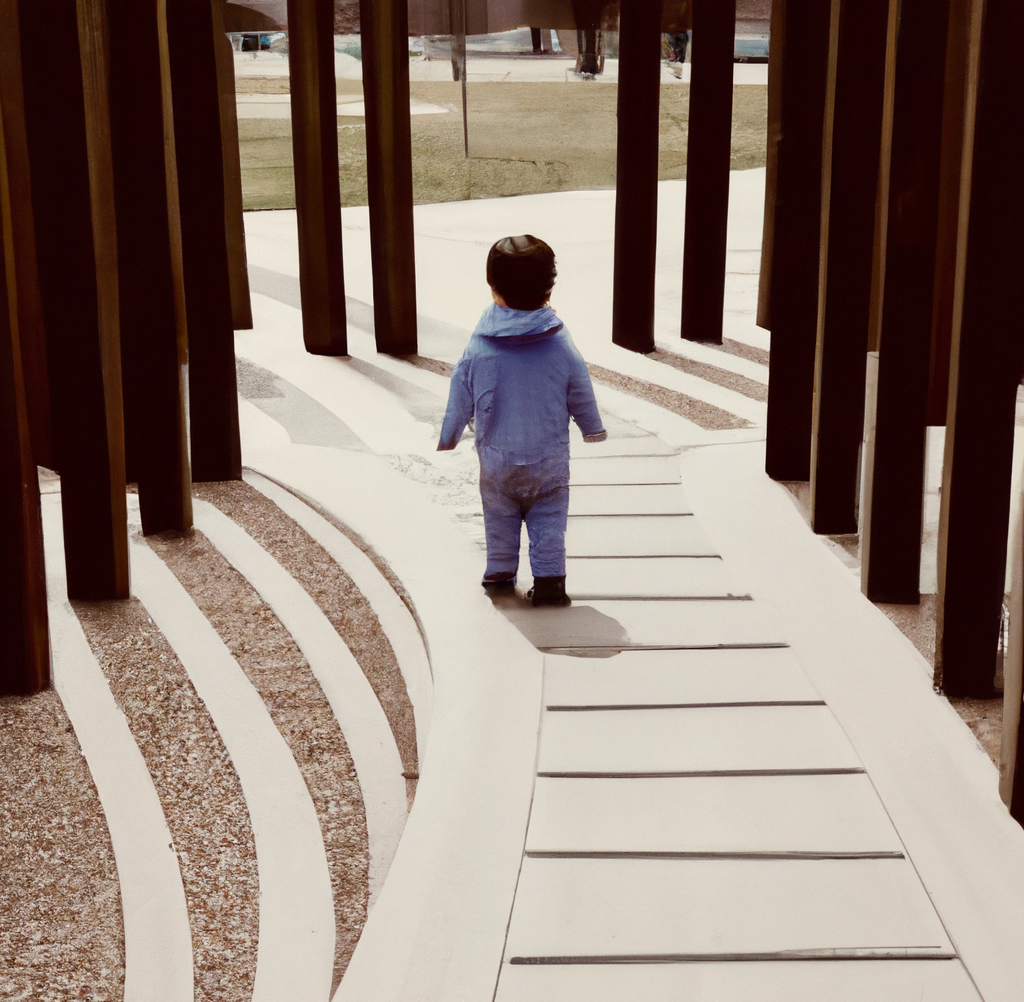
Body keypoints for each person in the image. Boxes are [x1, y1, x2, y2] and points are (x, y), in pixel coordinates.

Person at [437, 235, 607, 607]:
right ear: (549, 289)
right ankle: (549, 583)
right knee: (549, 516)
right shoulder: (560, 343)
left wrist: (449, 434)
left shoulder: (480, 346)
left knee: (499, 514)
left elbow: (460, 387)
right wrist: (591, 427)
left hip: (497, 458)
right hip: (548, 458)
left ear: (492, 285)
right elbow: (579, 384)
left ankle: (499, 573)